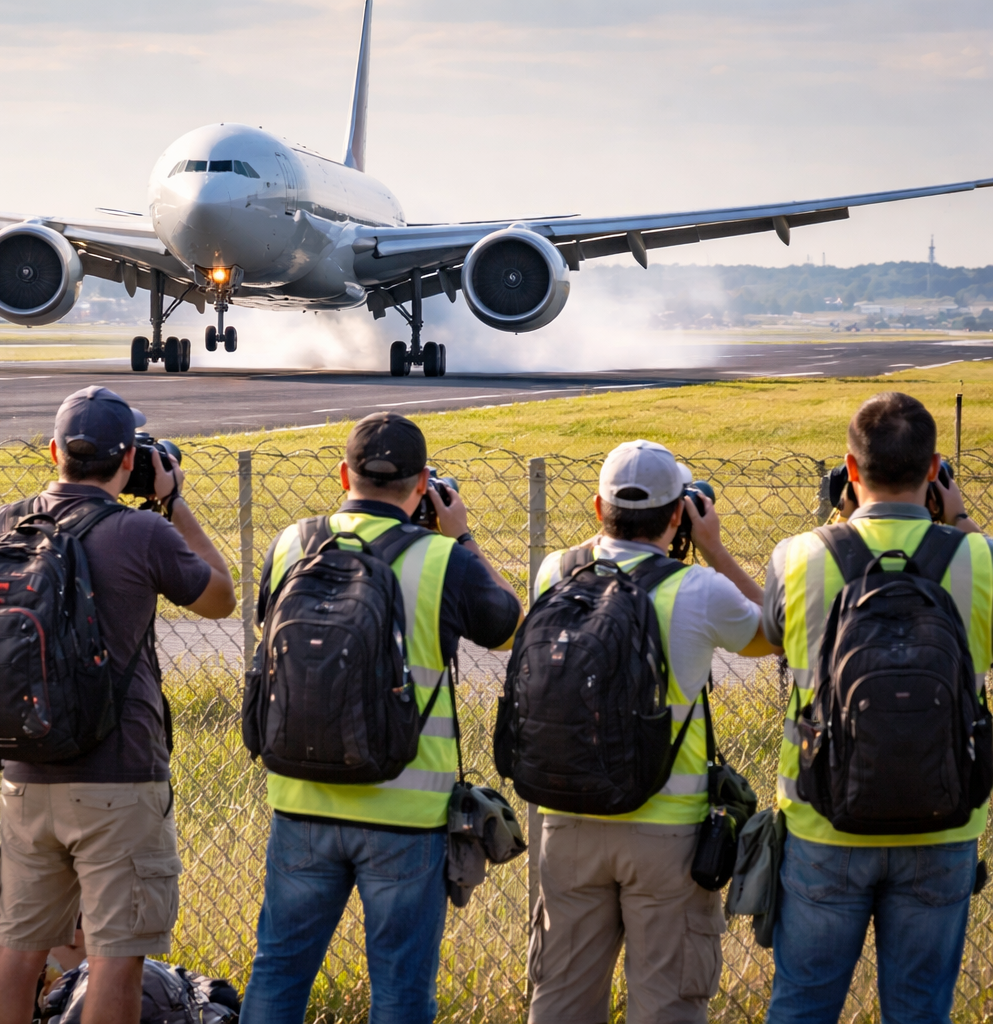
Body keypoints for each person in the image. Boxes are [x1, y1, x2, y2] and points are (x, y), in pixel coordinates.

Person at [240, 412, 522, 1024]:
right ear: (423, 484)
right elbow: (505, 625)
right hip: (405, 810)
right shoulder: (442, 557)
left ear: (345, 474)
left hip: (301, 795)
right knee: (398, 993)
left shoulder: (293, 542)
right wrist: (462, 536)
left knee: (279, 972)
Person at [0, 386, 236, 1024]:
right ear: (128, 462)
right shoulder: (142, 530)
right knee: (118, 959)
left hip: (26, 770)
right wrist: (172, 503)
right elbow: (220, 599)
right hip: (119, 773)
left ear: (54, 451)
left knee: (17, 950)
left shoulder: (8, 523)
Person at [525, 439, 778, 1024]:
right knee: (667, 1004)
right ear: (677, 515)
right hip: (667, 831)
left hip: (569, 817)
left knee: (560, 998)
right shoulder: (698, 590)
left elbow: (601, 557)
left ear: (597, 508)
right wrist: (713, 551)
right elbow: (779, 633)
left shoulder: (554, 572)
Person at [763, 392, 990, 1024]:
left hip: (822, 819)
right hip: (943, 820)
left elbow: (773, 632)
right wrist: (962, 520)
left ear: (849, 469)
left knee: (804, 1003)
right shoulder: (978, 558)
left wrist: (842, 521)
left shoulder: (800, 556)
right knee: (919, 1010)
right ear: (936, 469)